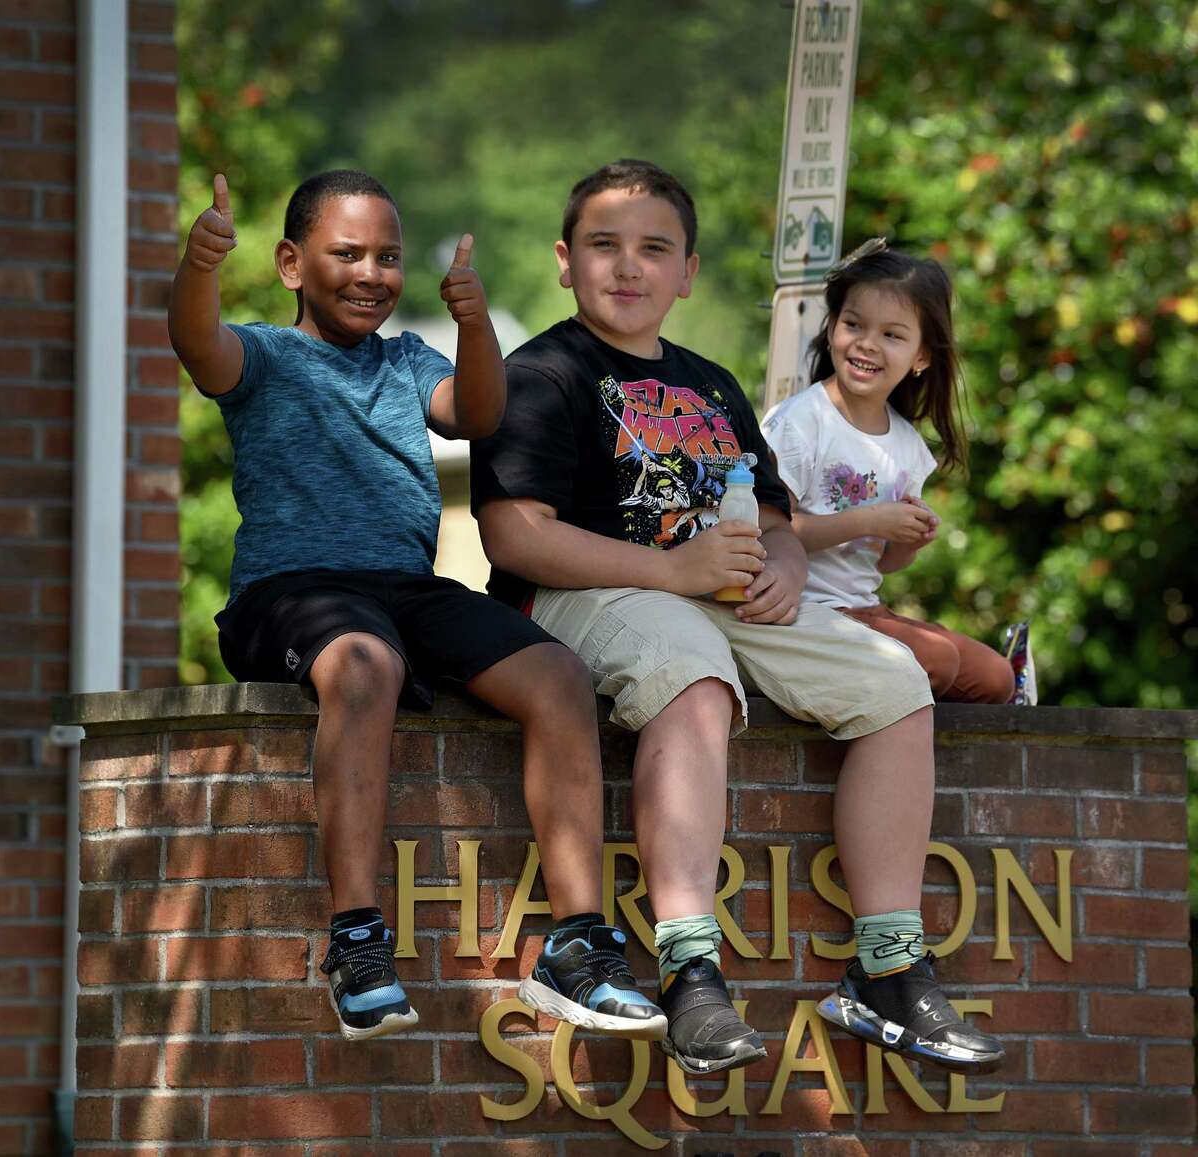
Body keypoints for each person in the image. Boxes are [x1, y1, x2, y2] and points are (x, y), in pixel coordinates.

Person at [472, 159, 1005, 1076]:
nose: (628, 266)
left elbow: (772, 512)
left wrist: (789, 560)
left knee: (895, 682)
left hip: (719, 595)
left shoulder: (712, 384)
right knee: (693, 674)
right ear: (565, 260)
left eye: (654, 248)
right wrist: (671, 567)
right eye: (604, 245)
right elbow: (514, 534)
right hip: (591, 593)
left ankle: (886, 969)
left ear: (689, 272)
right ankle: (689, 969)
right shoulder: (543, 372)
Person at [168, 169, 667, 1043]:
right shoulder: (265, 355)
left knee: (556, 672)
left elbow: (477, 410)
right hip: (291, 592)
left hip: (405, 591)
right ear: (290, 263)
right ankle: (358, 941)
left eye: (388, 257)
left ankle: (578, 944)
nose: (372, 273)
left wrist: (474, 321)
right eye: (347, 253)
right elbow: (198, 343)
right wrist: (200, 265)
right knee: (367, 666)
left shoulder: (408, 363)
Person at [761, 240, 1016, 704]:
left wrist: (906, 542)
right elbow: (770, 531)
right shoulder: (799, 422)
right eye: (853, 324)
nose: (867, 343)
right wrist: (871, 520)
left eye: (892, 336)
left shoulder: (907, 447)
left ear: (922, 357)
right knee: (937, 661)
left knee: (996, 678)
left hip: (865, 608)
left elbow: (883, 563)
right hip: (806, 611)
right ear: (832, 327)